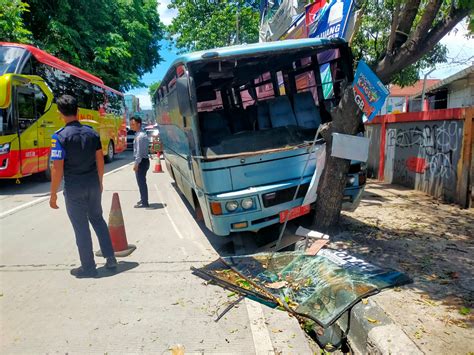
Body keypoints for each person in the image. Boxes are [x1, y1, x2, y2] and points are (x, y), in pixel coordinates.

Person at [49, 95, 117, 278]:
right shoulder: (92, 133)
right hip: (93, 184)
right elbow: (100, 160)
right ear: (78, 111)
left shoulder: (59, 137)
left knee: (81, 227)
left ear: (60, 114)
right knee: (98, 219)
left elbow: (57, 168)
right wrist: (100, 182)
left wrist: (53, 194)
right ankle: (111, 258)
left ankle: (88, 267)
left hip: (74, 189)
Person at [130, 116, 150, 208]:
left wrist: (136, 163)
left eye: (133, 124)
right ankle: (143, 199)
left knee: (141, 182)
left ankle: (144, 202)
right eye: (131, 124)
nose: (131, 126)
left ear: (139, 124)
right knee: (141, 182)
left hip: (141, 162)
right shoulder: (140, 134)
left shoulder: (140, 136)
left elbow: (139, 152)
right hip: (143, 161)